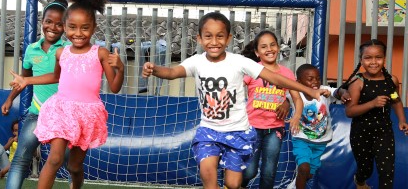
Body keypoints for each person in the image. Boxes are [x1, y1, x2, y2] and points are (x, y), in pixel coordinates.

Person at [142, 12, 326, 189]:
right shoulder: (196, 62)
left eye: (220, 36)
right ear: (199, 38)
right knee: (208, 173)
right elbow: (173, 72)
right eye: (208, 36)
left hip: (238, 131)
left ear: (228, 38)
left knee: (233, 183)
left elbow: (276, 78)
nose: (214, 42)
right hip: (209, 130)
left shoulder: (239, 62)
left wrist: (307, 89)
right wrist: (154, 68)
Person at [9, 0, 125, 188]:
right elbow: (55, 77)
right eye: (72, 27)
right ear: (65, 26)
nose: (78, 33)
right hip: (62, 111)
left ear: (94, 28)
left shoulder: (101, 53)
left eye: (84, 28)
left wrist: (120, 69)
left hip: (87, 114)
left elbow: (114, 87)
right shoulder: (61, 53)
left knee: (74, 166)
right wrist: (28, 80)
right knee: (54, 159)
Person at [1, 0, 70, 189]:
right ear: (42, 22)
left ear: (66, 27)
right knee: (21, 159)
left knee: (69, 161)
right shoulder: (31, 50)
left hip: (63, 116)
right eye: (49, 21)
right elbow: (23, 79)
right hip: (37, 113)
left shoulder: (69, 50)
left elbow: (58, 77)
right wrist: (9, 99)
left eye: (59, 24)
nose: (53, 27)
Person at [241, 30, 304, 189]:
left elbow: (297, 98)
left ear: (278, 47)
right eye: (263, 47)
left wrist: (296, 115)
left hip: (275, 129)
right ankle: (235, 184)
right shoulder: (252, 70)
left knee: (269, 171)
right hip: (252, 128)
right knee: (249, 171)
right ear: (257, 52)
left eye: (272, 45)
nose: (269, 49)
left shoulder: (286, 73)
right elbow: (234, 89)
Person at [342, 39, 408, 189]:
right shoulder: (357, 81)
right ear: (361, 60)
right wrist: (372, 103)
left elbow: (395, 100)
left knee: (387, 171)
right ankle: (360, 181)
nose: (373, 62)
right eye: (368, 58)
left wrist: (402, 120)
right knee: (366, 169)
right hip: (361, 132)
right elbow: (349, 111)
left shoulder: (391, 80)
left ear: (384, 58)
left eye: (378, 57)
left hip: (384, 131)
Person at [288, 64, 348, 189]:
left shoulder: (324, 90)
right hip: (301, 139)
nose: (315, 82)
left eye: (318, 78)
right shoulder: (296, 92)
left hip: (321, 141)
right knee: (304, 168)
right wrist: (284, 105)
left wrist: (343, 93)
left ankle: (294, 185)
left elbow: (337, 91)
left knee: (308, 174)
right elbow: (287, 98)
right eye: (310, 79)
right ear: (298, 82)